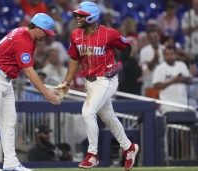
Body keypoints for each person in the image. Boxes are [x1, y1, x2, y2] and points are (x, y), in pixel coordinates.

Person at [56, 2, 138, 170]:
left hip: (106, 79)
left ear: (92, 17)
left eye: (82, 15)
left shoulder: (109, 34)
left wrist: (120, 64)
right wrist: (66, 82)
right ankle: (129, 147)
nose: (78, 18)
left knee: (87, 111)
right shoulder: (76, 35)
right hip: (89, 81)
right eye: (78, 14)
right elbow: (74, 59)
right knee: (109, 117)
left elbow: (127, 47)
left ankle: (92, 154)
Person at [0, 13, 61, 171]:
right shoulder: (22, 38)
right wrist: (45, 92)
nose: (47, 36)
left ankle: (10, 162)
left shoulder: (27, 36)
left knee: (9, 122)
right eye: (45, 32)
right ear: (36, 28)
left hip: (5, 79)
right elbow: (28, 71)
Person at [152, 46, 192, 114]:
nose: (169, 57)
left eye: (171, 54)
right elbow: (156, 86)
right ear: (164, 56)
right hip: (168, 107)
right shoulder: (160, 68)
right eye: (167, 55)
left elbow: (190, 80)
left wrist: (181, 79)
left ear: (175, 55)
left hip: (183, 105)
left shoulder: (182, 65)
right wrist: (172, 81)